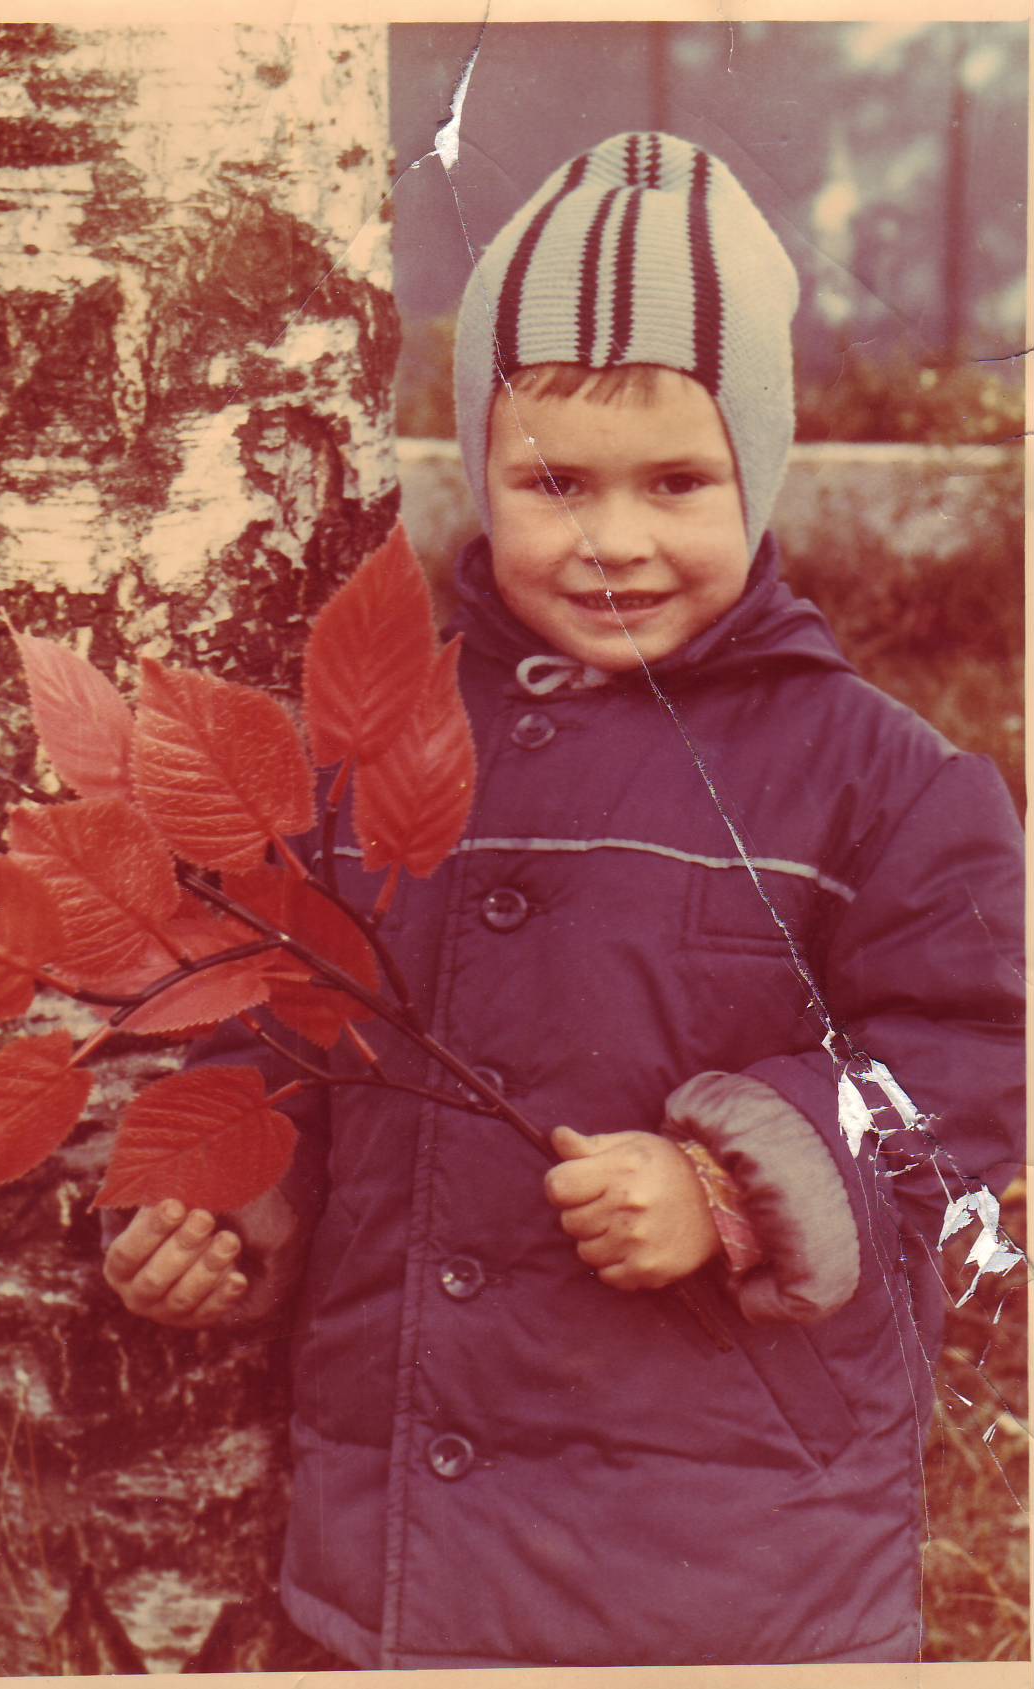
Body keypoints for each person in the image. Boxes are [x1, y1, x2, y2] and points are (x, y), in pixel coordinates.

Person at [103, 132, 1024, 1667]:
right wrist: (230, 1204)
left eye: (677, 481)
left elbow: (970, 1080)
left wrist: (733, 1185)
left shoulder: (883, 782)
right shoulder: (382, 743)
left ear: (761, 465)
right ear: (481, 470)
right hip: (400, 1570)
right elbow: (293, 1011)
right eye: (553, 482)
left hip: (732, 1577)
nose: (614, 540)